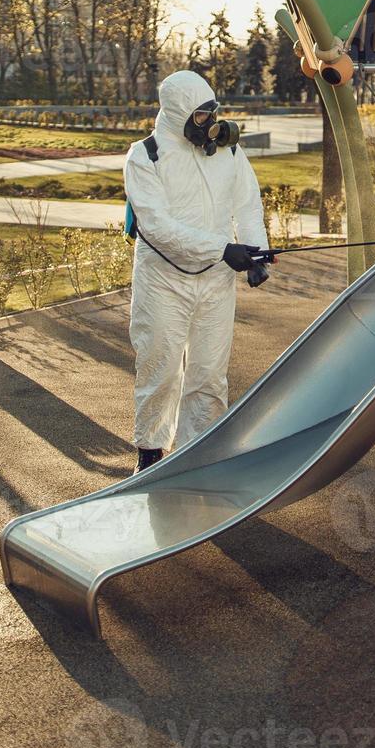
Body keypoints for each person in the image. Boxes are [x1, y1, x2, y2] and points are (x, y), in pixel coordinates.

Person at [124, 70, 270, 473]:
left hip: (216, 280)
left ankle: (199, 452)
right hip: (163, 281)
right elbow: (157, 226)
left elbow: (247, 205)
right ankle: (151, 454)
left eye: (212, 114)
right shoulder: (146, 155)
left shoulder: (228, 152)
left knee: (209, 372)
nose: (209, 124)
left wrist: (256, 252)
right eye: (200, 116)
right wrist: (223, 248)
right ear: (177, 113)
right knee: (161, 367)